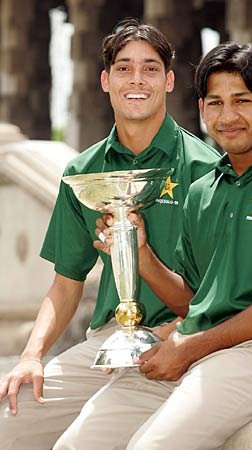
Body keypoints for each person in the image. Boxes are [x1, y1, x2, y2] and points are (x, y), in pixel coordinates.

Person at [89, 42, 252, 450]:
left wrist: (190, 346)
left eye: (242, 101)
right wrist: (142, 257)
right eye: (215, 103)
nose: (227, 117)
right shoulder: (202, 190)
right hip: (195, 343)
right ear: (202, 109)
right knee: (80, 444)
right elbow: (191, 300)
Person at [0, 19, 220, 449]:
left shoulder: (205, 168)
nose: (136, 79)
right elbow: (66, 283)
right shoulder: (83, 172)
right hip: (106, 344)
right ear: (105, 80)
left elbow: (221, 291)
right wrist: (31, 356)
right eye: (123, 68)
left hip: (179, 340)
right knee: (9, 424)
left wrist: (176, 334)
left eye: (150, 68)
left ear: (170, 81)